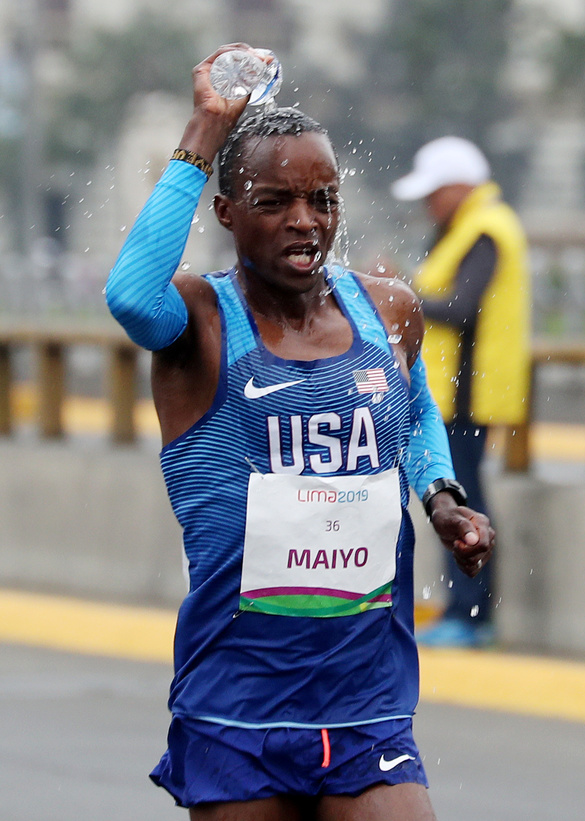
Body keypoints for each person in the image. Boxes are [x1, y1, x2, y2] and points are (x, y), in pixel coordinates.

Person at [105, 44, 493, 819]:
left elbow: (416, 411)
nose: (306, 221)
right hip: (239, 701)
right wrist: (207, 128)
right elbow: (131, 296)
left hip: (366, 696)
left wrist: (442, 497)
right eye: (275, 201)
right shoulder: (201, 322)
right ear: (226, 212)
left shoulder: (387, 308)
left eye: (323, 199)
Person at [391, 135, 531, 648]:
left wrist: (403, 293)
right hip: (451, 392)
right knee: (455, 495)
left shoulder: (486, 230)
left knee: (462, 499)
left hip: (469, 393)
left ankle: (471, 614)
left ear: (459, 187)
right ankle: (461, 607)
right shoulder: (462, 229)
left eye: (434, 192)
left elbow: (462, 308)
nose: (429, 203)